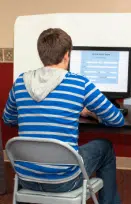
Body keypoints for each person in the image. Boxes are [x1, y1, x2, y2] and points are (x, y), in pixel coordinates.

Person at [2, 28, 123, 204]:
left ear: (41, 54)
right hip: (64, 181)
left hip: (25, 178)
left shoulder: (21, 81)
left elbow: (8, 119)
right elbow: (117, 120)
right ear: (67, 55)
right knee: (105, 147)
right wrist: (92, 114)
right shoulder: (79, 84)